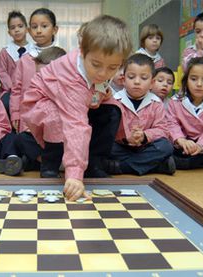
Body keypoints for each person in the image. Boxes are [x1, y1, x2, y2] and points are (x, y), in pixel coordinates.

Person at [21, 15, 132, 201]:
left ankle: (95, 164)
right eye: (96, 65)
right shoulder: (71, 76)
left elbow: (104, 93)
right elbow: (76, 125)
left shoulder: (102, 66)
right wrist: (74, 175)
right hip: (42, 103)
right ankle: (50, 165)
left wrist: (125, 133)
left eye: (113, 67)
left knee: (112, 110)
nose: (103, 73)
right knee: (56, 118)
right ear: (82, 52)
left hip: (83, 100)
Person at [104, 54, 174, 176]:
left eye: (143, 78)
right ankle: (154, 165)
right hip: (122, 147)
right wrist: (125, 137)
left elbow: (163, 130)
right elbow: (108, 131)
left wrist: (145, 136)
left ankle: (122, 167)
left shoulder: (156, 103)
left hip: (145, 147)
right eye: (131, 77)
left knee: (165, 146)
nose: (137, 82)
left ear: (152, 83)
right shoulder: (115, 101)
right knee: (105, 146)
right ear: (123, 80)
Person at [10, 8, 59, 129]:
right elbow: (16, 89)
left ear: (54, 29)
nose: (38, 31)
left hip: (54, 117)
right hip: (27, 115)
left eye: (44, 26)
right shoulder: (25, 59)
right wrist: (15, 113)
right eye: (34, 27)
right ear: (29, 31)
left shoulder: (61, 57)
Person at [0, 11, 33, 95]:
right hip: (10, 91)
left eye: (20, 26)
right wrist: (12, 88)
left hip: (30, 90)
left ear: (27, 29)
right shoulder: (5, 51)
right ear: (9, 32)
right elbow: (1, 72)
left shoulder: (34, 51)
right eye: (13, 28)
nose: (16, 30)